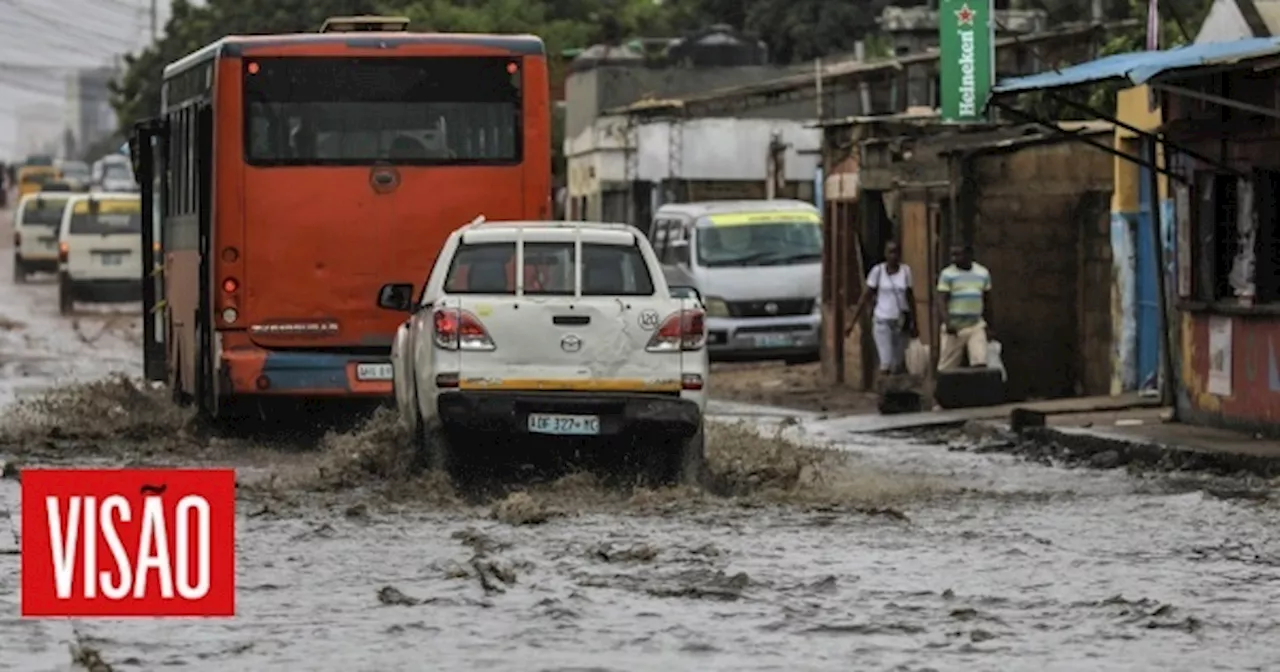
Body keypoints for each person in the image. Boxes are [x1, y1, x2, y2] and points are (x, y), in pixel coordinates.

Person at [849, 240, 917, 376]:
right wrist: (853, 321)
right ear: (885, 254)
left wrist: (915, 322)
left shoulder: (905, 271)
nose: (893, 256)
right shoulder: (878, 272)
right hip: (882, 320)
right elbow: (865, 296)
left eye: (896, 252)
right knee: (885, 361)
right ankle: (884, 391)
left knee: (897, 362)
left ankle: (896, 393)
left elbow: (910, 297)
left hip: (900, 321)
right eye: (890, 252)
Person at [936, 243, 994, 371]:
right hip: (955, 328)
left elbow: (987, 300)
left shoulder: (982, 273)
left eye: (958, 255)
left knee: (980, 363)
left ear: (969, 255)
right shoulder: (947, 274)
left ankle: (977, 390)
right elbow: (941, 300)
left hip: (975, 325)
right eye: (952, 255)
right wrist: (947, 322)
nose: (954, 259)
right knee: (947, 367)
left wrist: (990, 326)